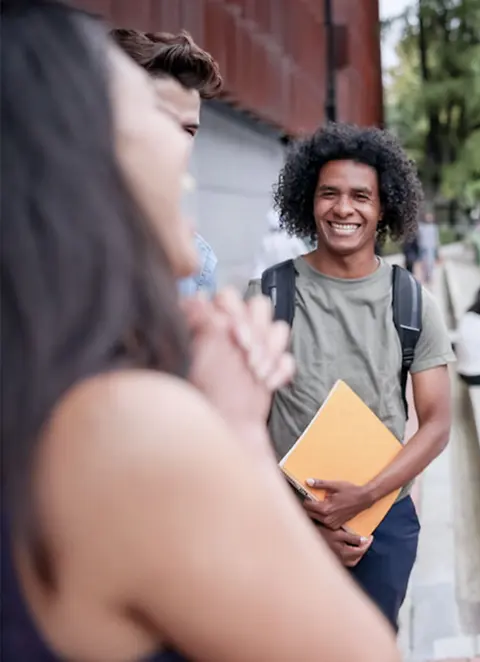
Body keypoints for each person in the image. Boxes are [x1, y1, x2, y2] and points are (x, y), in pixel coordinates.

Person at [0, 2, 400, 661]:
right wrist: (239, 435)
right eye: (155, 117)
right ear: (76, 157)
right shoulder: (119, 428)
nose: (187, 151)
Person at [246, 122, 455, 631]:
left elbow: (436, 424)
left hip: (381, 521)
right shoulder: (268, 295)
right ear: (308, 200)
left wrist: (364, 496)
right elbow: (244, 428)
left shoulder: (411, 301)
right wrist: (306, 520)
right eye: (329, 194)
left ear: (383, 207)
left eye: (361, 196)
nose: (344, 209)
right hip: (286, 518)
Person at [110, 26, 222, 297]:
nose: (178, 144)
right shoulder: (40, 236)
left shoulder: (197, 262)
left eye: (189, 131)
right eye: (163, 121)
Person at [418, 209, 440, 284]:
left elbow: (436, 238)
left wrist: (437, 248)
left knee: (431, 262)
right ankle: (424, 276)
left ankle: (430, 276)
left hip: (431, 247)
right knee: (423, 262)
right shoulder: (422, 227)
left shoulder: (434, 227)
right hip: (423, 247)